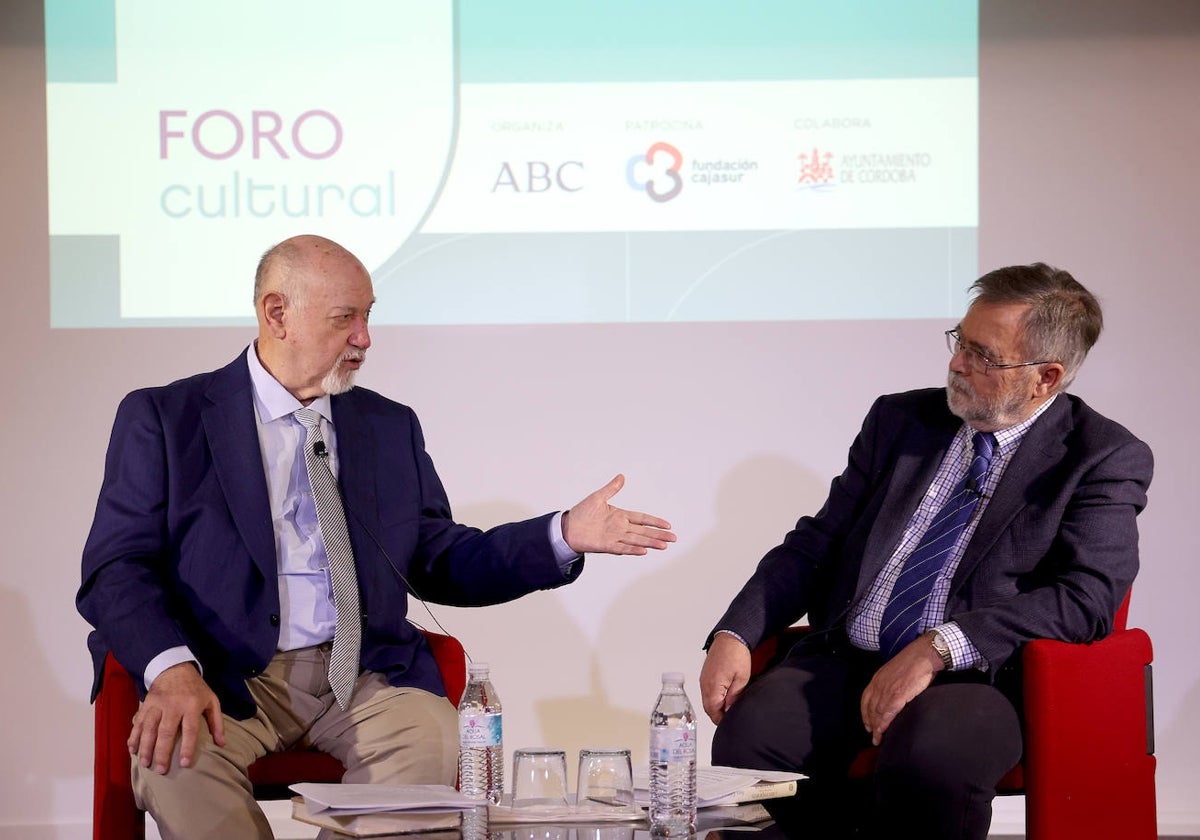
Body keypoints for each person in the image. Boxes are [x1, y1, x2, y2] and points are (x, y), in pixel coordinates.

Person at [78, 234, 676, 839]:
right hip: (223, 675)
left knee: (437, 739)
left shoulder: (388, 424)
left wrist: (563, 535)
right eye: (346, 318)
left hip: (364, 676)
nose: (365, 338)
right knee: (174, 762)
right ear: (277, 314)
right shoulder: (166, 417)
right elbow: (115, 567)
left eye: (368, 316)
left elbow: (438, 559)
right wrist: (174, 671)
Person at [698, 263, 1153, 839]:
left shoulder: (1101, 456)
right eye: (960, 342)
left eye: (984, 355)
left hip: (979, 677)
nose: (958, 364)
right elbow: (818, 541)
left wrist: (937, 648)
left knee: (932, 756)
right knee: (751, 739)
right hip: (849, 658)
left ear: (1046, 377)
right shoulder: (901, 420)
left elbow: (1087, 597)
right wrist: (736, 632)